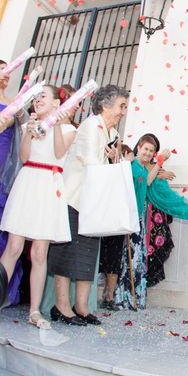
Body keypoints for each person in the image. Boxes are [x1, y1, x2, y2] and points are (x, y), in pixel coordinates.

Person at [47, 84, 129, 326]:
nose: (123, 111)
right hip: (75, 197)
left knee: (87, 255)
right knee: (66, 251)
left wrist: (114, 158)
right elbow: (90, 161)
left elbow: (110, 165)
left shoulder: (112, 134)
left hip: (93, 203)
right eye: (121, 106)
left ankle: (81, 306)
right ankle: (61, 306)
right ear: (105, 105)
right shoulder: (92, 125)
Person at [0, 85, 76, 328]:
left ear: (57, 103)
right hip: (28, 182)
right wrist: (28, 133)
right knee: (13, 247)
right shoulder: (27, 125)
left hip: (48, 186)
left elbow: (58, 152)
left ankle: (34, 311)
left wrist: (53, 125)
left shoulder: (69, 129)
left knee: (39, 253)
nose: (38, 99)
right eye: (37, 97)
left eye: (44, 96)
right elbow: (23, 158)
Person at [114, 133, 188, 310]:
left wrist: (160, 163)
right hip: (131, 215)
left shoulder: (141, 168)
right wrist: (159, 163)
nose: (148, 153)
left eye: (152, 151)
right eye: (146, 149)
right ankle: (125, 297)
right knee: (130, 257)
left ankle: (134, 299)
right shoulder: (131, 165)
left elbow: (148, 181)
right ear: (139, 148)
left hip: (140, 217)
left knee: (138, 257)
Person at [0, 61, 24, 307]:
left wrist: (19, 116)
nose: (5, 76)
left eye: (8, 72)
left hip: (6, 159)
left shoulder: (13, 100)